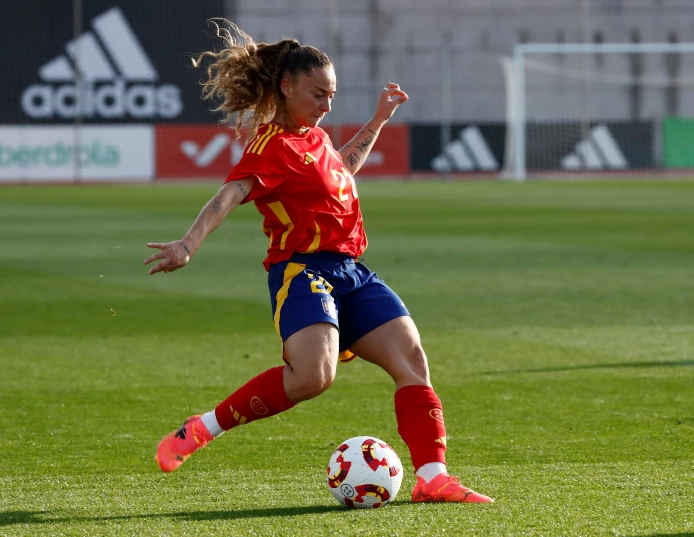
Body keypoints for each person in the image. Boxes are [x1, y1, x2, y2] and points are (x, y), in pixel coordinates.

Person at [143, 20, 492, 504]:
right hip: (302, 271)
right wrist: (188, 242)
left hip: (353, 271)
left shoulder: (316, 138)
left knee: (412, 363)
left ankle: (432, 477)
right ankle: (201, 428)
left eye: (331, 95)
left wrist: (378, 121)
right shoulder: (271, 146)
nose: (327, 105)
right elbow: (230, 194)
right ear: (286, 88)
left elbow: (341, 169)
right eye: (318, 94)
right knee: (312, 377)